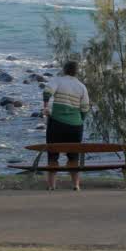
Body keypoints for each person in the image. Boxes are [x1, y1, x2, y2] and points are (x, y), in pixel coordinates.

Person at [41, 60, 91, 191]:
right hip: (75, 127)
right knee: (73, 156)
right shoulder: (81, 87)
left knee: (53, 154)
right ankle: (76, 184)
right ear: (76, 72)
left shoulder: (58, 80)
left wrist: (46, 107)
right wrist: (80, 120)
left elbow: (47, 92)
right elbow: (85, 107)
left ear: (64, 70)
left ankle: (52, 185)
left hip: (57, 123)